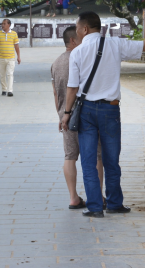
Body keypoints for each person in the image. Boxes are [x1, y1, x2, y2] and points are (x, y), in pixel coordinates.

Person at [60, 10, 145, 217]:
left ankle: (95, 207)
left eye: (78, 27)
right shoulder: (115, 44)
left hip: (86, 111)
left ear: (84, 29)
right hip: (110, 109)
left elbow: (72, 88)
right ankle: (115, 203)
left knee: (89, 160)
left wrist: (66, 114)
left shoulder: (77, 53)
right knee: (111, 158)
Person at [52, 26, 103, 209]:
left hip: (66, 115)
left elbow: (56, 93)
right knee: (97, 155)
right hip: (86, 112)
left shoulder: (56, 63)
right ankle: (98, 196)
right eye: (81, 38)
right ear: (73, 41)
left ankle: (73, 197)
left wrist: (61, 114)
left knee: (70, 156)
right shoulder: (81, 57)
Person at [0, 18, 21, 97]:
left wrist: (18, 57)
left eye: (4, 24)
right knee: (2, 75)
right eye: (2, 24)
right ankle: (4, 89)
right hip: (1, 58)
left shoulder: (14, 34)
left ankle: (10, 90)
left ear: (9, 25)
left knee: (10, 74)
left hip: (11, 58)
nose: (3, 25)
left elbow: (16, 46)